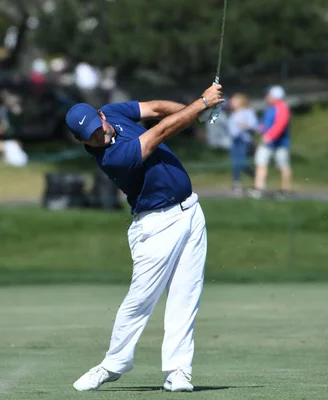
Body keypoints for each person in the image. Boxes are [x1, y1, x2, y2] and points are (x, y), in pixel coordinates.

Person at [64, 83, 225, 392]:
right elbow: (159, 132)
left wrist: (195, 111)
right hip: (155, 225)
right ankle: (113, 364)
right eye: (93, 138)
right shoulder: (112, 158)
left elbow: (153, 108)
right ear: (82, 141)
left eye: (100, 129)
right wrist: (201, 103)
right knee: (140, 299)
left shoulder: (111, 112)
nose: (102, 136)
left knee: (186, 296)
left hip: (191, 211)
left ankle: (177, 371)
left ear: (100, 114)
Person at [251, 85, 292, 198]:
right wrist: (259, 128)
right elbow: (265, 123)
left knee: (283, 166)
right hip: (268, 142)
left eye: (269, 94)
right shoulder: (270, 108)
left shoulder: (282, 107)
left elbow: (280, 124)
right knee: (260, 163)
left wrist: (270, 135)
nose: (267, 96)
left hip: (279, 143)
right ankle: (258, 188)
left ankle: (285, 190)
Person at [227, 93, 257, 194]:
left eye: (234, 100)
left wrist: (245, 125)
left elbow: (254, 125)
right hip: (234, 140)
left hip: (243, 139)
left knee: (242, 162)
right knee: (235, 162)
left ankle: (256, 177)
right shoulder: (233, 114)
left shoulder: (247, 112)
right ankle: (237, 183)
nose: (232, 102)